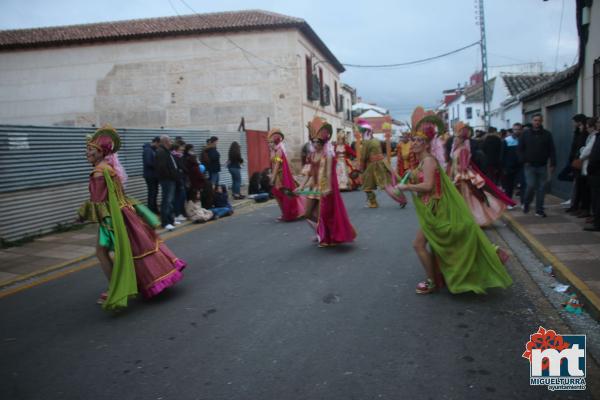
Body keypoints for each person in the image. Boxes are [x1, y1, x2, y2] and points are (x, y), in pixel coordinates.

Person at [394, 124, 512, 295]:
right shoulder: (421, 162)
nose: (415, 143)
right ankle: (439, 276)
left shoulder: (428, 161)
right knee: (441, 244)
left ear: (427, 144)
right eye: (414, 140)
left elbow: (428, 186)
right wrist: (395, 178)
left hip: (437, 209)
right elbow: (414, 181)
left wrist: (407, 187)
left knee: (420, 245)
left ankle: (432, 281)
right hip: (431, 209)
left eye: (420, 140)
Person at [78, 126, 186, 310]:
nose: (86, 153)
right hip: (126, 213)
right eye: (87, 149)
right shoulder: (109, 168)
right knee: (133, 249)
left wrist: (82, 215)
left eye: (91, 150)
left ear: (101, 152)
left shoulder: (98, 172)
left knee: (102, 252)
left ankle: (115, 288)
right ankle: (135, 282)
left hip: (113, 219)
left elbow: (98, 202)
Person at [297, 116, 356, 247]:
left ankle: (326, 236)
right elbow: (310, 173)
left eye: (318, 142)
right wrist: (301, 186)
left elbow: (329, 173)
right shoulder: (312, 155)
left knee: (323, 215)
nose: (315, 144)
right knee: (307, 214)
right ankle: (320, 231)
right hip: (314, 188)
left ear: (323, 143)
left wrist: (328, 188)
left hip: (324, 188)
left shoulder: (328, 156)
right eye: (313, 142)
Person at [357, 119, 406, 208]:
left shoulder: (366, 142)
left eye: (362, 133)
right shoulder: (376, 140)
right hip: (381, 163)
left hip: (374, 166)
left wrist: (361, 168)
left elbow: (364, 157)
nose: (361, 135)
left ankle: (373, 202)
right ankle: (401, 198)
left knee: (367, 185)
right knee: (388, 184)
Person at [518, 114, 556, 217]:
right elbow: (520, 149)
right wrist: (523, 160)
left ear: (542, 121)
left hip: (542, 165)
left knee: (542, 188)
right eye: (535, 120)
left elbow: (552, 149)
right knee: (530, 185)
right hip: (529, 165)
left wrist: (553, 163)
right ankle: (526, 203)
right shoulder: (525, 134)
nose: (537, 122)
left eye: (539, 120)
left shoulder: (547, 134)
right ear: (532, 121)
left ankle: (539, 209)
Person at [268, 128, 305, 221]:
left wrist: (273, 178)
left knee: (284, 194)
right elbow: (273, 164)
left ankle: (290, 213)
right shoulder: (273, 151)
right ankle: (284, 213)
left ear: (276, 142)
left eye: (271, 142)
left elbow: (277, 164)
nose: (269, 144)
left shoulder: (279, 151)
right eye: (269, 142)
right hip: (276, 176)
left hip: (281, 177)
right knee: (277, 194)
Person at [564, 114, 589, 213]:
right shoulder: (578, 133)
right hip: (575, 161)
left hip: (580, 162)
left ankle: (581, 207)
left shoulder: (584, 134)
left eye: (574, 122)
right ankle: (575, 205)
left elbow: (582, 148)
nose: (573, 124)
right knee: (577, 185)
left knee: (582, 186)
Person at [155, 135, 178, 230]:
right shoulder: (161, 152)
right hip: (167, 180)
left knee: (170, 201)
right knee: (166, 201)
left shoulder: (166, 151)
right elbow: (162, 168)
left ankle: (171, 219)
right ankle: (165, 222)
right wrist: (171, 176)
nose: (171, 142)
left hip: (170, 180)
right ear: (165, 142)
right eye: (170, 141)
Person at [577, 117, 598, 219]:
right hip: (589, 168)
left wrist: (582, 151)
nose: (586, 129)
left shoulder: (594, 137)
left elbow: (586, 151)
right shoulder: (591, 136)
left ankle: (593, 215)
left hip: (591, 169)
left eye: (587, 127)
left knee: (591, 194)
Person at [501, 123, 526, 207]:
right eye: (515, 129)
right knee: (509, 186)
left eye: (518, 129)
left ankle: (523, 202)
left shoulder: (524, 139)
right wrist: (503, 167)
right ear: (512, 130)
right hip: (509, 167)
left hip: (521, 166)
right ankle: (509, 202)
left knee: (523, 184)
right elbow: (502, 154)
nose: (517, 131)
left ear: (521, 130)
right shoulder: (507, 140)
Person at [584, 118, 600, 231]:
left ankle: (597, 223)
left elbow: (595, 156)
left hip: (596, 173)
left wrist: (590, 169)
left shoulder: (597, 137)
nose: (597, 124)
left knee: (597, 199)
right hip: (595, 172)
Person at [142, 136, 160, 214]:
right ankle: (151, 210)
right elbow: (148, 162)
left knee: (155, 192)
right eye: (159, 144)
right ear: (156, 142)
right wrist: (158, 165)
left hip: (154, 175)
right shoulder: (148, 150)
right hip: (150, 175)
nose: (159, 147)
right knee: (152, 193)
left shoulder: (152, 150)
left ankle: (154, 209)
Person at [171, 140, 187, 225]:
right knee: (178, 198)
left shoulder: (179, 156)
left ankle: (179, 213)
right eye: (181, 149)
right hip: (178, 179)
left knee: (181, 197)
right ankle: (177, 214)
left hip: (181, 178)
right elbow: (180, 168)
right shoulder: (175, 157)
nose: (182, 150)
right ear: (176, 149)